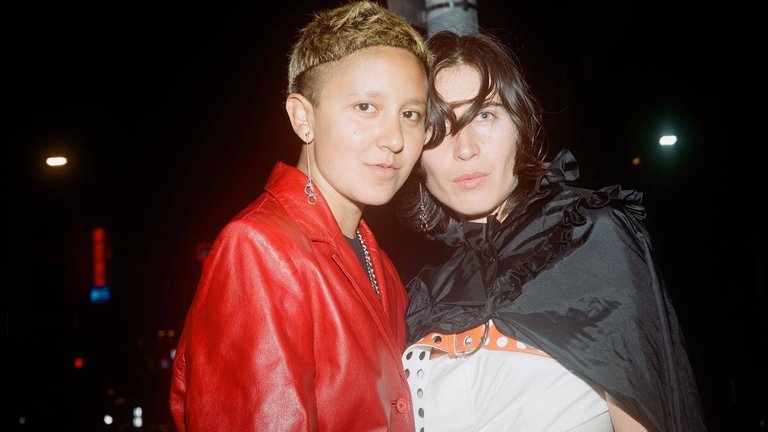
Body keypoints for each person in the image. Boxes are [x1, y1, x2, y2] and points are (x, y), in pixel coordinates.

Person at [398, 31, 705, 432]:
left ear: (520, 126)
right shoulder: (424, 294)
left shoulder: (591, 240)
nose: (465, 148)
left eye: (485, 116)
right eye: (439, 128)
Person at [169, 2, 430, 430]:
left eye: (411, 114)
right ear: (303, 118)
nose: (395, 139)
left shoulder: (377, 261)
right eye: (366, 107)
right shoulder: (259, 247)